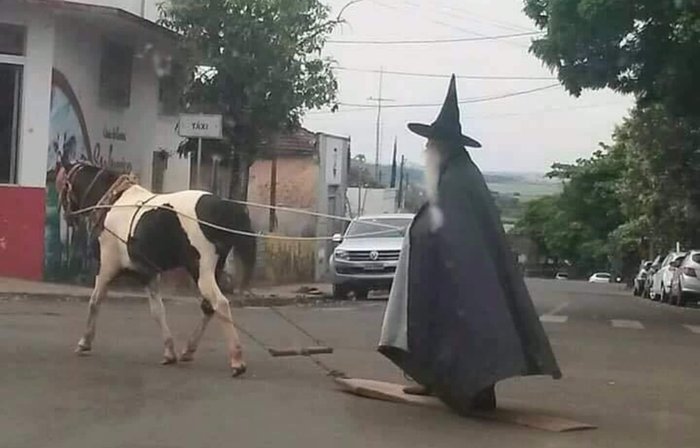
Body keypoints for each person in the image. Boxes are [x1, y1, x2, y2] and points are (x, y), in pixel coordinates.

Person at [378, 75, 561, 415]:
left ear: (443, 146)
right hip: (447, 270)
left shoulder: (459, 179)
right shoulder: (453, 173)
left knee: (470, 326)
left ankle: (477, 389)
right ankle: (434, 381)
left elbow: (456, 230)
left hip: (463, 273)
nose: (426, 150)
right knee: (439, 325)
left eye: (430, 144)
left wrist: (427, 240)